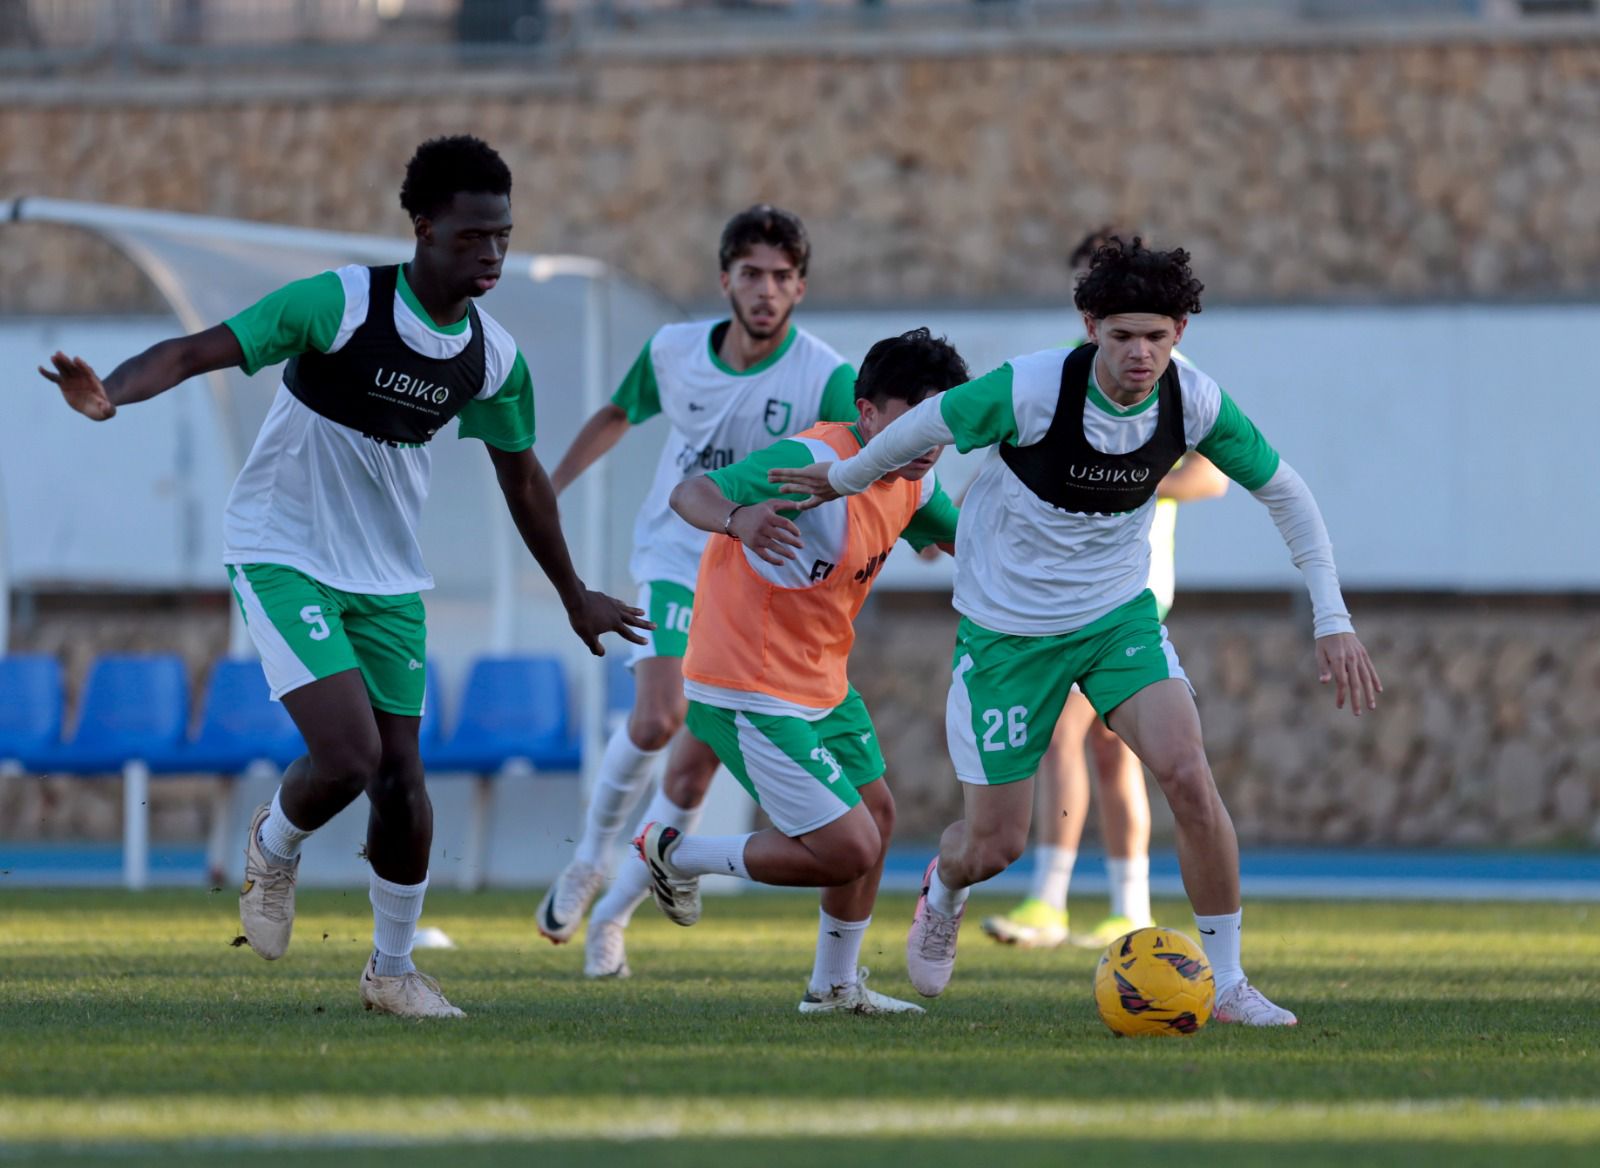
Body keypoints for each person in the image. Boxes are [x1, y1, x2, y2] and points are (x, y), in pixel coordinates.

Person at [38, 135, 649, 1018]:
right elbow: (196, 351)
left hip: (388, 577)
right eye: (473, 236)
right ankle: (275, 842)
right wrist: (112, 395)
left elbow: (522, 481)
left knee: (403, 778)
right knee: (352, 754)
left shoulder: (493, 359)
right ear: (423, 227)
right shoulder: (340, 303)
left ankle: (392, 970)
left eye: (504, 238)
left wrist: (574, 593)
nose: (491, 255)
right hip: (280, 549)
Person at [769, 238, 1382, 1026]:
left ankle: (1226, 981)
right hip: (1006, 635)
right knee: (993, 846)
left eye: (1157, 337)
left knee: (1188, 773)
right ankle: (945, 889)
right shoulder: (1028, 389)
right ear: (1089, 324)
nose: (1140, 353)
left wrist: (1332, 618)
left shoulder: (1193, 401)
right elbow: (929, 420)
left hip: (1114, 616)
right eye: (1123, 335)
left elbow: (1286, 493)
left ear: (1180, 334)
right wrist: (846, 476)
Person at [539, 205, 859, 980]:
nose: (766, 290)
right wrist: (545, 491)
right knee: (657, 716)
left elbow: (867, 458)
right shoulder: (674, 351)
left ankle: (611, 917)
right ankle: (588, 859)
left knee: (692, 770)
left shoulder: (825, 374)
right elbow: (618, 413)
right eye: (752, 273)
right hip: (680, 551)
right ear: (726, 280)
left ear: (800, 288)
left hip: (765, 582)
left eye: (782, 277)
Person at [635, 327, 967, 1015]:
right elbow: (690, 494)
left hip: (820, 677)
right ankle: (676, 853)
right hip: (746, 680)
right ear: (867, 413)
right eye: (912, 423)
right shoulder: (811, 459)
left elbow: (959, 534)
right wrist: (737, 517)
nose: (928, 443)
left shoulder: (909, 478)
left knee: (877, 818)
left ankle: (834, 988)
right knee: (848, 847)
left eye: (939, 424)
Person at [983, 227, 1229, 951]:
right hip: (1067, 592)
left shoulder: (1168, 375)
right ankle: (1121, 904)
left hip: (1127, 590)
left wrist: (1130, 484)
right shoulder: (1059, 381)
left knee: (1079, 738)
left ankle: (1060, 901)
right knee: (1101, 749)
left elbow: (1212, 474)